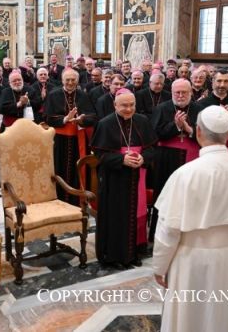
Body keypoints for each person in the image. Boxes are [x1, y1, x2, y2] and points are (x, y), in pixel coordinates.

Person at [152, 106, 228, 332]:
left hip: (189, 259)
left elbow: (168, 230)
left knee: (188, 317)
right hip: (226, 257)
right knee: (219, 315)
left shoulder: (185, 174)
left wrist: (159, 266)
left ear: (198, 131)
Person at [91, 89, 157, 269]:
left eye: (132, 105)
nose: (128, 109)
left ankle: (133, 253)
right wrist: (121, 159)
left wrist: (143, 158)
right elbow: (99, 154)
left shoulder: (142, 121)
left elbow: (152, 148)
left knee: (136, 214)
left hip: (138, 177)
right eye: (124, 106)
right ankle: (114, 256)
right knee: (116, 216)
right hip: (114, 179)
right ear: (115, 105)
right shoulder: (105, 124)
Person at [150, 79, 201, 241]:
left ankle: (189, 235)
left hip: (192, 159)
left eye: (184, 92)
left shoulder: (199, 109)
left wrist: (188, 129)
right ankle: (160, 234)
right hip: (166, 159)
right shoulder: (161, 108)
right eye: (177, 92)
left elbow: (206, 135)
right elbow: (154, 135)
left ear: (190, 92)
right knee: (165, 195)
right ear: (171, 93)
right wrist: (176, 126)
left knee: (191, 196)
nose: (180, 96)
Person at [44, 69, 97, 204]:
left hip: (78, 140)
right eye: (67, 80)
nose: (70, 82)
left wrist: (82, 119)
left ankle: (76, 202)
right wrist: (65, 119)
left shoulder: (83, 95)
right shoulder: (53, 95)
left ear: (77, 81)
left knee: (77, 170)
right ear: (62, 80)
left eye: (73, 80)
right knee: (58, 169)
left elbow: (93, 117)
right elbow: (47, 118)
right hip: (58, 141)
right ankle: (57, 200)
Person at [196, 69, 228, 155]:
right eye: (219, 81)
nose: (222, 85)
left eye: (225, 81)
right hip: (207, 149)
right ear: (213, 82)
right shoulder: (201, 104)